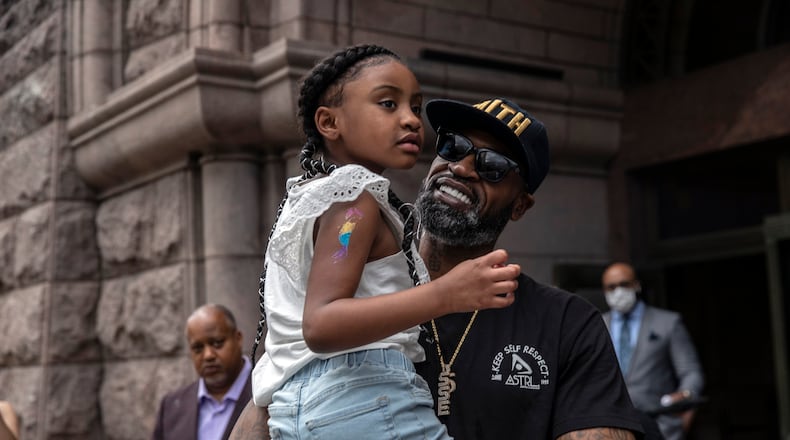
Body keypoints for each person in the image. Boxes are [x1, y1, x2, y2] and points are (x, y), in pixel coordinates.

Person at [231, 95, 647, 439]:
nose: (462, 167)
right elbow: (267, 410)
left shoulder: (567, 324)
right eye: (453, 147)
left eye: (493, 167)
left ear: (520, 204)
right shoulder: (344, 293)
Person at [249, 45, 520, 439]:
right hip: (367, 399)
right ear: (329, 122)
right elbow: (322, 324)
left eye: (415, 106)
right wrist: (449, 293)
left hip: (301, 407)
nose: (411, 120)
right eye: (388, 103)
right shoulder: (354, 201)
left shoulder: (317, 196)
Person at [601, 262, 705, 440]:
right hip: (614, 428)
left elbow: (691, 372)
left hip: (661, 425)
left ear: (636, 285)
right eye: (611, 287)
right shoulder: (597, 325)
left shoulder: (668, 322)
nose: (618, 291)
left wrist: (686, 401)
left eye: (624, 284)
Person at [153, 304, 252, 440]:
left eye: (217, 343)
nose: (208, 355)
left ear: (238, 339)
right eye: (198, 348)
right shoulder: (171, 406)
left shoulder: (269, 395)